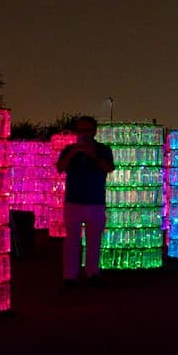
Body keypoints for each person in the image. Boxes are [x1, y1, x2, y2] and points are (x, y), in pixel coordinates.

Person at [56, 116, 115, 286]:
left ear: (94, 131)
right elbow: (60, 168)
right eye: (80, 130)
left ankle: (92, 273)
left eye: (87, 130)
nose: (84, 134)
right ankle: (70, 276)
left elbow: (109, 168)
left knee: (94, 240)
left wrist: (93, 155)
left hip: (95, 202)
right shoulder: (69, 149)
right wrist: (74, 152)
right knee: (72, 240)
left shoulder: (103, 149)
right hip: (73, 202)